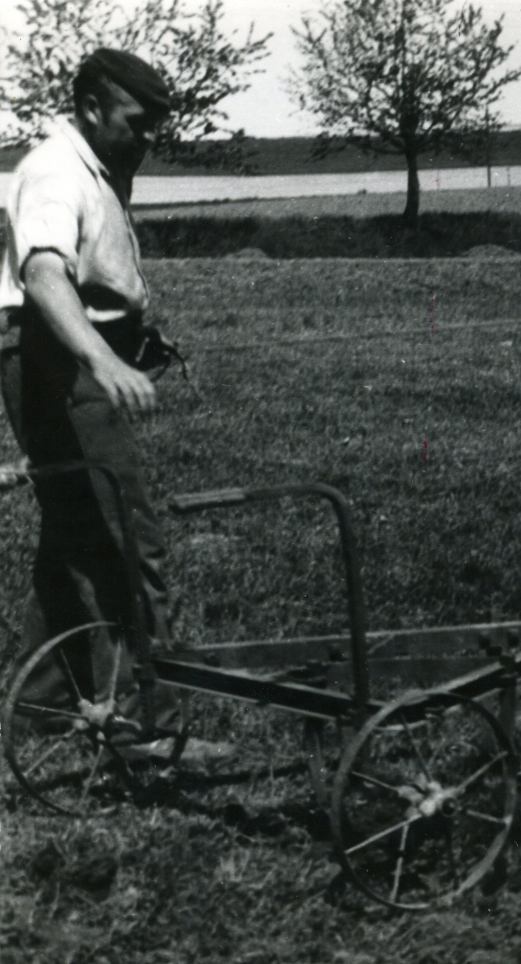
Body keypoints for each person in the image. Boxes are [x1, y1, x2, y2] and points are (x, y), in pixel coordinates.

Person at [0, 49, 229, 764]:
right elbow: (42, 273)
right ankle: (145, 724)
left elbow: (91, 276)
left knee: (75, 527)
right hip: (52, 362)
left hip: (63, 354)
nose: (153, 136)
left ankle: (42, 699)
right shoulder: (56, 170)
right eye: (141, 121)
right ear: (94, 107)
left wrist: (131, 334)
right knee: (130, 539)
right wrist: (101, 359)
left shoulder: (99, 162)